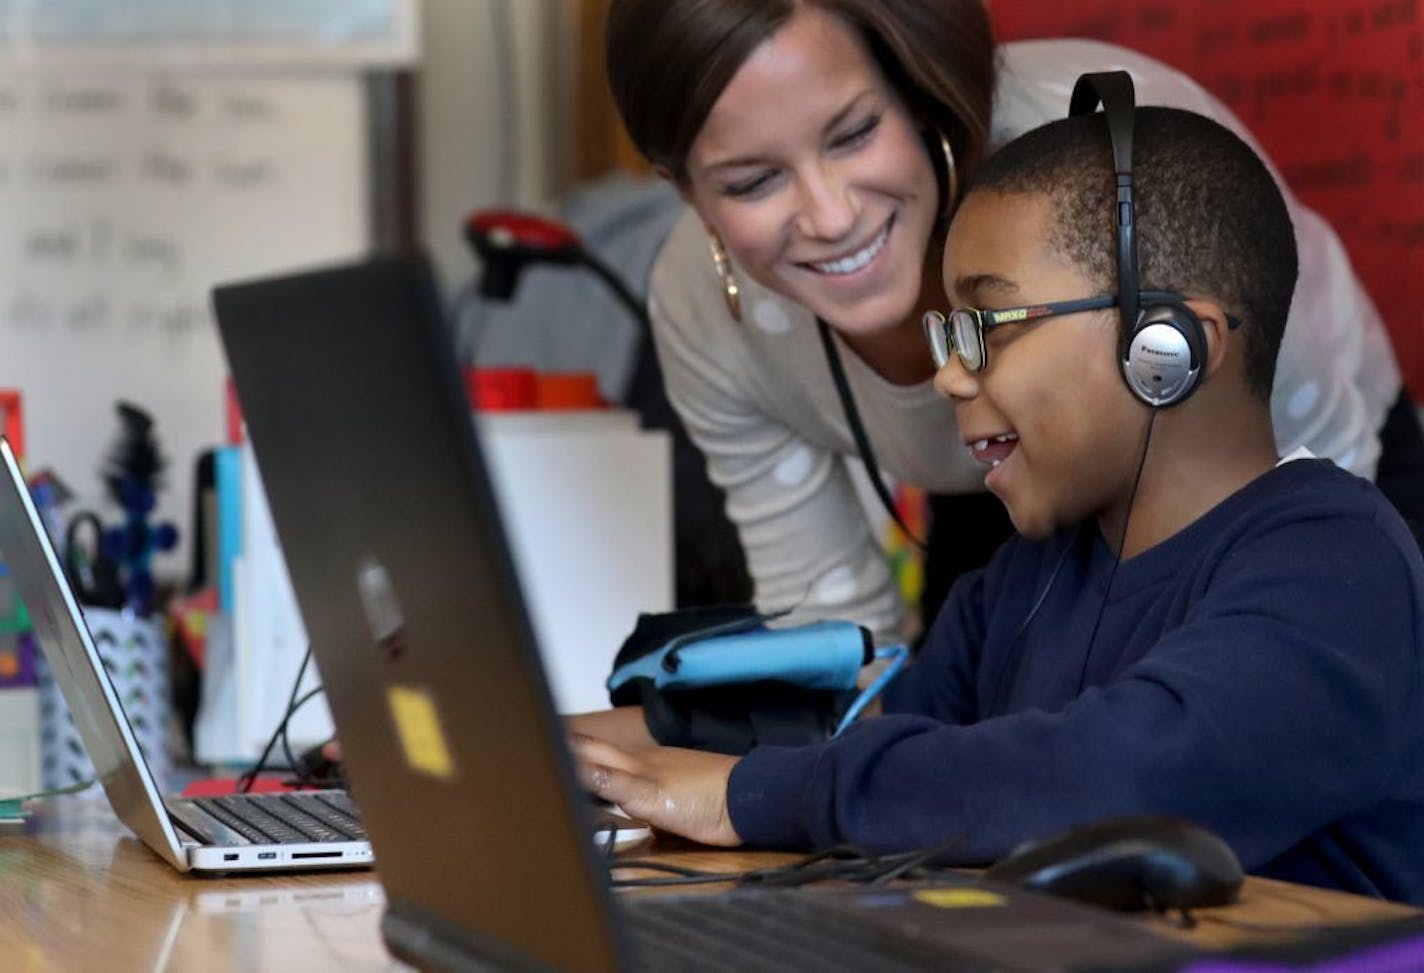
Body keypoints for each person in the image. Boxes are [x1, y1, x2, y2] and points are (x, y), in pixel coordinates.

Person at [571, 98, 1424, 905]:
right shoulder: (1021, 583)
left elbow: (1125, 780)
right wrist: (620, 748)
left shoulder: (1336, 564)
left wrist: (745, 794)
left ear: (1167, 348)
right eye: (948, 332)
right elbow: (884, 756)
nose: (947, 373)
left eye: (987, 324)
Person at [604, 0, 1424, 644]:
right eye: (752, 182)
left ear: (917, 94)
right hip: (1002, 493)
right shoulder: (700, 312)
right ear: (685, 192)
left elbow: (1313, 499)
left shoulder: (1108, 175)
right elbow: (833, 628)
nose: (830, 216)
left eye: (854, 134)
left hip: (1294, 459)